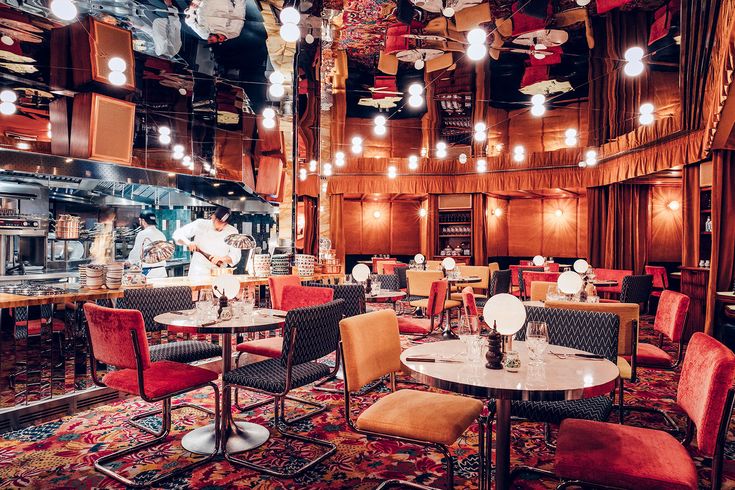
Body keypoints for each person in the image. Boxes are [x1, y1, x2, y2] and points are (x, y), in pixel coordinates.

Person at [172, 206, 241, 277]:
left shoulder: (232, 231)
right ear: (213, 217)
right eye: (219, 222)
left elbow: (236, 255)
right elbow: (177, 234)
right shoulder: (200, 224)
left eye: (224, 223)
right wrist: (188, 243)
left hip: (219, 273)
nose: (221, 226)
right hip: (198, 272)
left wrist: (222, 259)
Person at [127, 210, 168, 278]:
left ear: (143, 221)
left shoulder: (142, 234)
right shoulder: (161, 234)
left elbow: (136, 252)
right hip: (162, 272)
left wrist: (130, 262)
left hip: (150, 273)